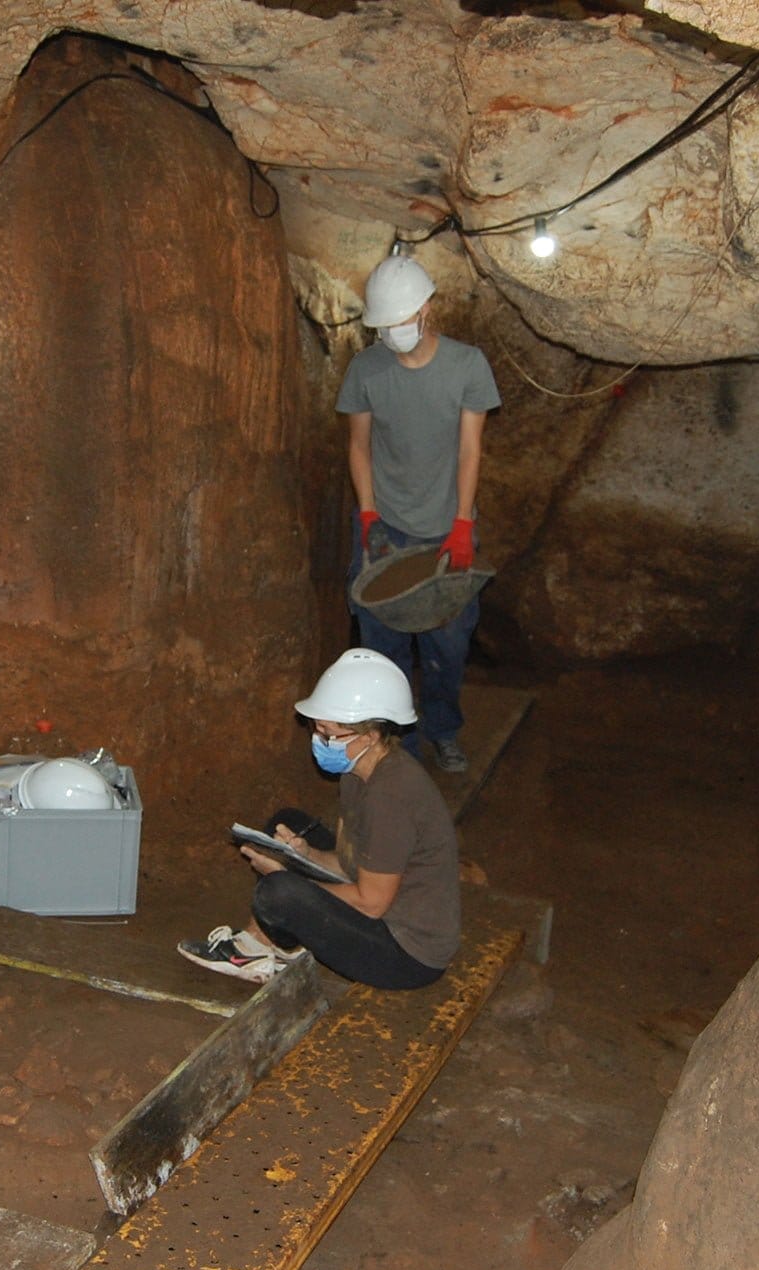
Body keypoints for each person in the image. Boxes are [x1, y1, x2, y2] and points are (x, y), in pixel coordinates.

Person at [179, 648, 460, 989]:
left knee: (279, 892)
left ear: (369, 736)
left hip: (407, 953)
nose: (319, 740)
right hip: (385, 905)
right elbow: (349, 864)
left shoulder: (391, 798)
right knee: (286, 824)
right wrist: (304, 853)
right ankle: (272, 944)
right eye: (317, 729)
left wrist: (290, 877)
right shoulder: (359, 771)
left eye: (328, 734)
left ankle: (252, 950)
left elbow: (371, 904)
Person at [337, 254, 502, 773]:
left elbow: (470, 449)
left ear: (427, 309)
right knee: (381, 650)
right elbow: (359, 445)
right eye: (384, 325)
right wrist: (367, 516)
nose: (394, 332)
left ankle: (443, 729)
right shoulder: (366, 369)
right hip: (385, 528)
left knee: (447, 647)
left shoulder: (467, 365)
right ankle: (396, 752)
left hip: (444, 530)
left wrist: (462, 523)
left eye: (402, 320)